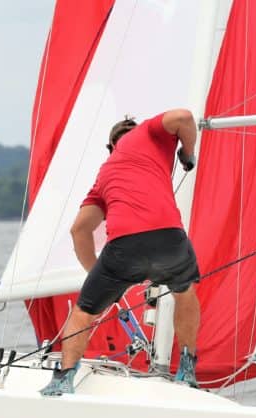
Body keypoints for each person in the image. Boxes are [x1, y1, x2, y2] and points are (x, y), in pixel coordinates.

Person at [40, 108, 201, 396]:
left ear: (111, 147)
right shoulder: (148, 134)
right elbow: (184, 118)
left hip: (124, 249)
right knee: (184, 292)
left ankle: (63, 379)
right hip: (169, 239)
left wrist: (100, 279)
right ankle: (187, 369)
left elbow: (80, 229)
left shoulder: (104, 175)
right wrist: (187, 155)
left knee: (83, 312)